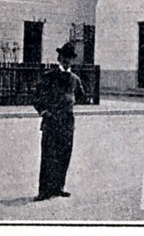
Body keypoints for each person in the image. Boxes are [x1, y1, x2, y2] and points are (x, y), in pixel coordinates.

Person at [33, 42, 86, 201]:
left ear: (72, 60)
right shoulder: (49, 76)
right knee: (48, 155)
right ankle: (44, 190)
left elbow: (81, 96)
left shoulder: (75, 79)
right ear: (58, 58)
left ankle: (58, 187)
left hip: (67, 123)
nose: (66, 60)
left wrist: (70, 102)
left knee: (64, 155)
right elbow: (36, 97)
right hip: (51, 122)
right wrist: (44, 111)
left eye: (69, 58)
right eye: (64, 57)